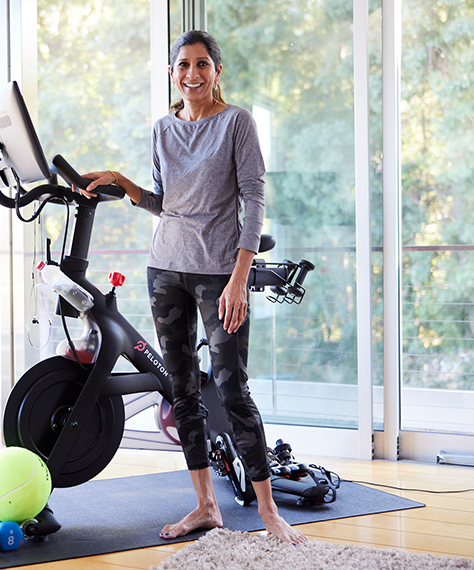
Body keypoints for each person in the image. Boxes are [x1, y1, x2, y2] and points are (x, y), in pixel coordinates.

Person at [75, 30, 307, 545]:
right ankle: (205, 505)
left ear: (217, 71)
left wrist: (239, 280)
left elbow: (254, 203)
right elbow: (165, 204)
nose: (193, 74)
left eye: (203, 64)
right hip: (165, 270)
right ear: (173, 74)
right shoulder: (162, 128)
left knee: (231, 387)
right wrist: (121, 180)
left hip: (218, 273)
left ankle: (269, 511)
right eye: (183, 66)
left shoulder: (236, 124)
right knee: (181, 390)